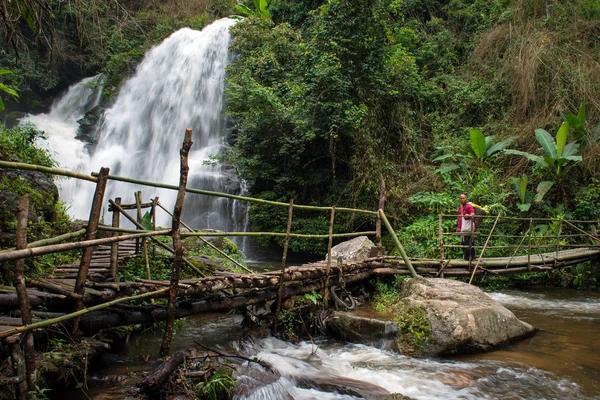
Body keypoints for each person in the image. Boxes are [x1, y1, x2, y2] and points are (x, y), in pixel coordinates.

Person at [456, 193, 476, 261]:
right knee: (463, 242)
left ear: (466, 199)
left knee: (469, 242)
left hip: (468, 227)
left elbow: (472, 213)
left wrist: (469, 215)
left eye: (463, 198)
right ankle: (467, 257)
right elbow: (459, 217)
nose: (462, 199)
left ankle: (470, 258)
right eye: (461, 198)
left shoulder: (469, 206)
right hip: (462, 227)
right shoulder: (460, 208)